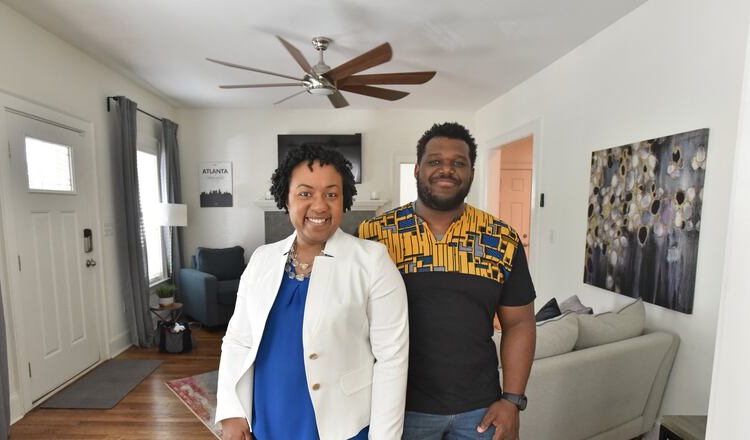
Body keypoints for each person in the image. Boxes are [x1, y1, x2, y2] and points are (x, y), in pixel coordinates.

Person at [215, 144, 409, 440]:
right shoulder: (262, 259)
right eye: (305, 194)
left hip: (342, 425)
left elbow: (392, 359)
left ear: (344, 199)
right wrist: (231, 409)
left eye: (331, 194)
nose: (319, 206)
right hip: (270, 415)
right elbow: (238, 340)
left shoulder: (372, 261)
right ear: (286, 198)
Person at [359, 122, 536, 440]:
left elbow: (520, 323)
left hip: (481, 411)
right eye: (435, 161)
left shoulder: (501, 239)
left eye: (458, 163)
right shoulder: (374, 235)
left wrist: (512, 401)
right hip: (398, 408)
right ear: (417, 169)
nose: (447, 170)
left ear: (471, 172)